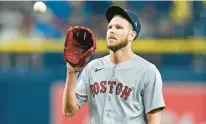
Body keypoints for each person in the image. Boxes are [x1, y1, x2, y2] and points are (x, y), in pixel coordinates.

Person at [62, 5, 166, 124]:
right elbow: (69, 111)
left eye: (119, 27)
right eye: (109, 27)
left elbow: (153, 120)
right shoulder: (93, 67)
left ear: (132, 35)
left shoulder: (147, 71)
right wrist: (72, 73)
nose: (112, 30)